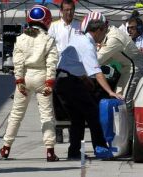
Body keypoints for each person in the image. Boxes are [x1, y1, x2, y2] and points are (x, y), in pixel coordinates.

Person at [55, 11, 123, 159]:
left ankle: (74, 152)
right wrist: (110, 92)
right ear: (98, 30)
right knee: (93, 113)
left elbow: (74, 65)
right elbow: (97, 72)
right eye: (104, 32)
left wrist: (84, 79)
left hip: (62, 82)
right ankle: (100, 149)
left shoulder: (78, 39)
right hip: (69, 83)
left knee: (78, 118)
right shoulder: (87, 44)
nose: (104, 35)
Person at [0, 4, 60, 162]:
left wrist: (19, 80)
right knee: (46, 115)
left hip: (25, 77)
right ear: (46, 21)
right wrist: (49, 83)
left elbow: (17, 62)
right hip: (42, 77)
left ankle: (6, 147)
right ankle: (49, 150)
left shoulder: (21, 38)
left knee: (16, 114)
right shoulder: (48, 39)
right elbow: (52, 62)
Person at [97, 14, 143, 141]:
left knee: (126, 103)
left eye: (93, 30)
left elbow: (96, 61)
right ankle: (121, 137)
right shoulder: (110, 34)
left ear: (101, 28)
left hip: (134, 69)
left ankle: (130, 140)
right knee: (118, 100)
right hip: (126, 70)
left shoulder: (113, 39)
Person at [48, 0, 80, 144]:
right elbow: (49, 47)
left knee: (73, 101)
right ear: (61, 11)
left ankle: (73, 129)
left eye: (71, 10)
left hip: (75, 69)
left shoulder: (79, 26)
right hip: (58, 68)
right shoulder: (54, 27)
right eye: (66, 10)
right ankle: (59, 129)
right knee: (58, 101)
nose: (69, 13)